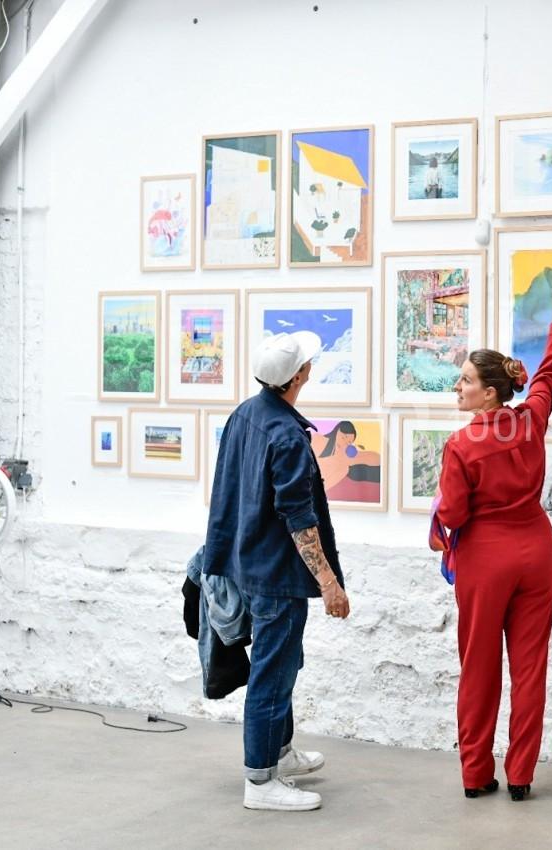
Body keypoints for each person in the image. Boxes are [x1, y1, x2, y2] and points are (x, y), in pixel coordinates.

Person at [435, 275, 552, 802]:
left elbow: (453, 513)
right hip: (536, 551)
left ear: (489, 392)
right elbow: (550, 370)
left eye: (466, 380)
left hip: (485, 557)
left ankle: (476, 774)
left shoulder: (461, 445)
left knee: (478, 667)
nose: (458, 387)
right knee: (530, 666)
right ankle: (521, 776)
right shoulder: (532, 419)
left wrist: (441, 514)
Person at [203, 330, 351, 813]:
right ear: (300, 375)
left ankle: (280, 752)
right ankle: (260, 780)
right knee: (272, 675)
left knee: (282, 664)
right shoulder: (286, 435)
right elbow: (299, 518)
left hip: (245, 564)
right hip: (276, 575)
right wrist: (329, 583)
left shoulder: (246, 414)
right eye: (308, 363)